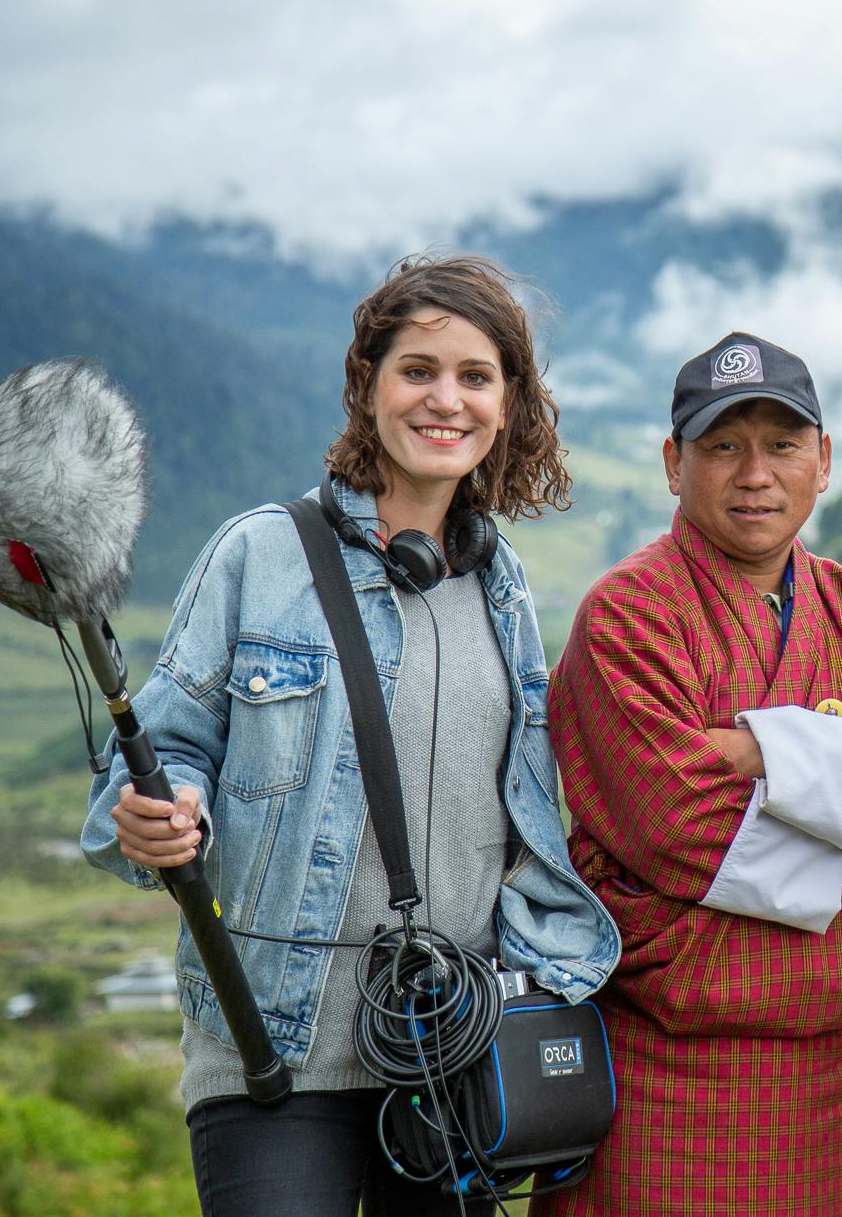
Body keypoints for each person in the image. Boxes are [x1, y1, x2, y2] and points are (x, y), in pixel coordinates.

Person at [81, 255, 619, 1216]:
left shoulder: (503, 589)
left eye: (475, 376)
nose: (444, 399)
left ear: (509, 404)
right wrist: (163, 814)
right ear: (366, 385)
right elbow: (161, 759)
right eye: (417, 370)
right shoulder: (262, 553)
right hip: (274, 1053)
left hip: (448, 1055)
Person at [536, 332, 842, 1217]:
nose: (754, 473)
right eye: (723, 445)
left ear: (824, 460)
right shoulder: (625, 615)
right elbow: (679, 823)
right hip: (656, 1074)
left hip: (816, 1085)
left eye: (781, 444)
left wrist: (758, 748)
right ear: (672, 462)